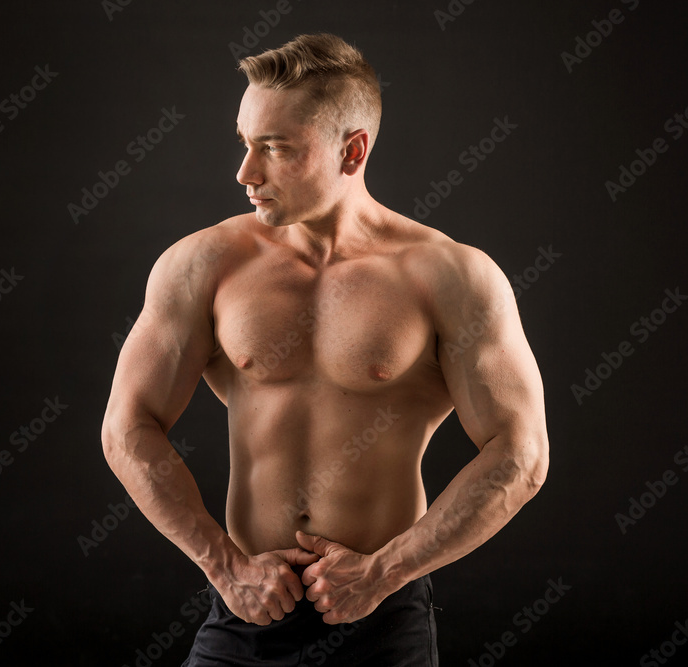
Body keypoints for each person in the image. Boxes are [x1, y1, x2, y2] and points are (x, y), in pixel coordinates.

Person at [101, 32, 548, 666]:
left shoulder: (448, 276)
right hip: (246, 607)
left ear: (353, 150)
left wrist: (383, 572)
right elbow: (127, 428)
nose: (245, 173)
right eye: (245, 144)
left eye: (276, 149)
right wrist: (226, 568)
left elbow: (520, 456)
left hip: (382, 616)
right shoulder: (205, 264)